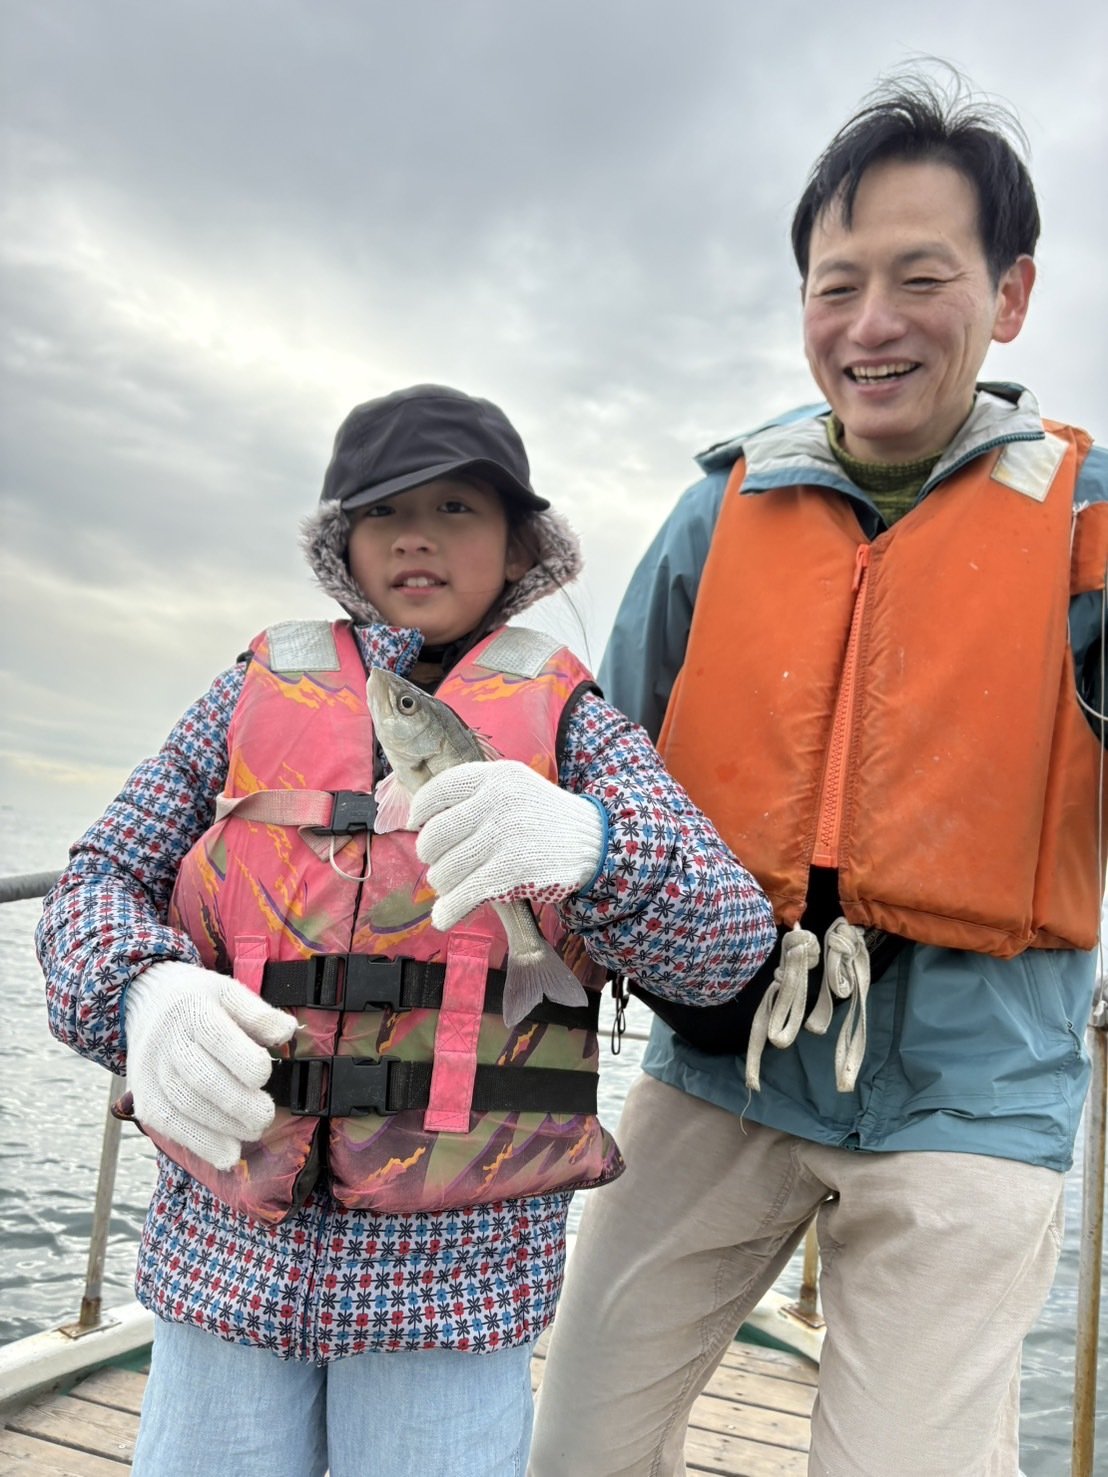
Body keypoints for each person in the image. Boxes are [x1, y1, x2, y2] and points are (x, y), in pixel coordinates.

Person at [529, 72, 1108, 1477]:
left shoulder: (1088, 526)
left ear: (1010, 294)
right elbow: (598, 775)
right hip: (720, 1050)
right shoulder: (719, 510)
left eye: (922, 278)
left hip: (976, 1090)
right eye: (836, 285)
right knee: (578, 1445)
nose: (871, 323)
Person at [36, 383, 776, 1477]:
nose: (416, 535)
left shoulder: (573, 717)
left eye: (455, 508)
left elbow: (728, 947)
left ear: (519, 543)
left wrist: (596, 845)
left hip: (457, 1279)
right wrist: (142, 991)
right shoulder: (251, 688)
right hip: (226, 1251)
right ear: (343, 543)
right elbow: (95, 879)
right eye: (383, 510)